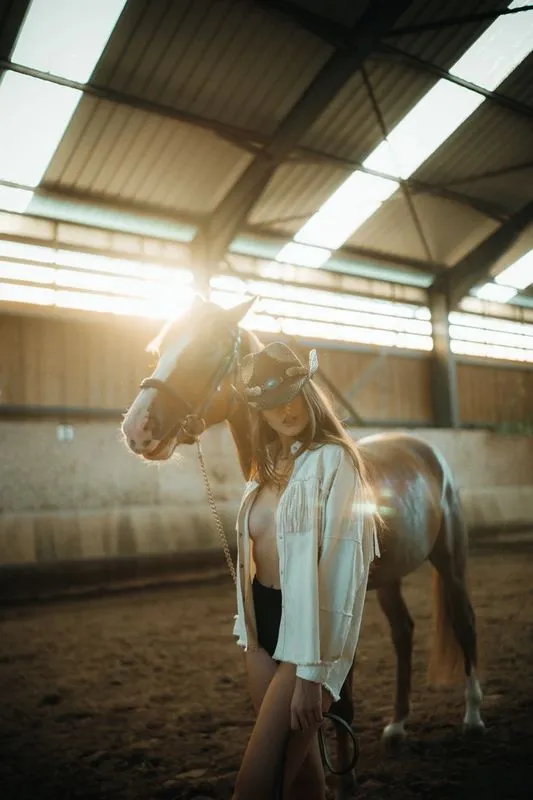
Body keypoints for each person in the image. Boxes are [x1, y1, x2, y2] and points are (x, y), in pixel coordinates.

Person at [231, 342, 379, 800]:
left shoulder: (335, 460)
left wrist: (313, 674)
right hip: (259, 634)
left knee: (253, 787)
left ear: (308, 391)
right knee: (301, 784)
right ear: (260, 413)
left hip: (308, 638)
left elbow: (341, 572)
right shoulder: (263, 468)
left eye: (293, 394)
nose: (286, 409)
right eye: (271, 404)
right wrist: (248, 631)